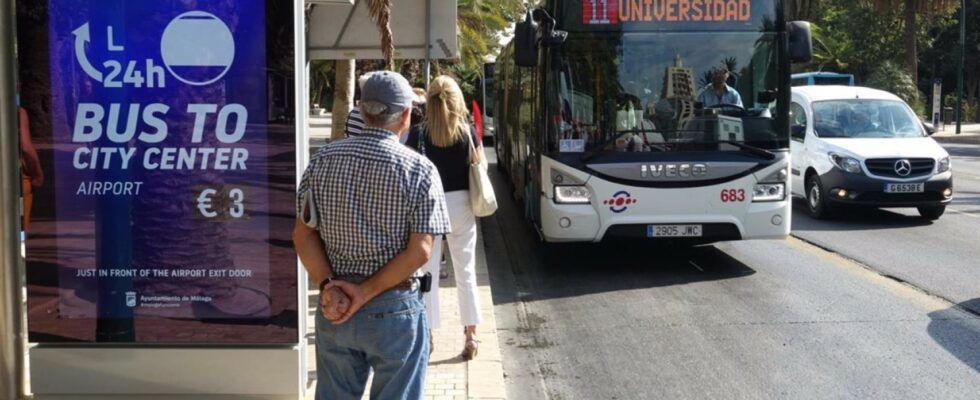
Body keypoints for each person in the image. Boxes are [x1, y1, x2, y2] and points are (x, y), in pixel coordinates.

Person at [294, 71, 451, 400]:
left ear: (362, 111)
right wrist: (363, 294)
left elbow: (303, 235)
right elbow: (420, 252)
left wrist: (329, 286)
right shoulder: (420, 170)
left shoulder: (321, 161)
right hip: (394, 310)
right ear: (406, 114)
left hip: (335, 306)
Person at [405, 76, 484, 360]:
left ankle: (428, 335)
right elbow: (479, 166)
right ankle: (471, 334)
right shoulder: (466, 132)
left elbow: (410, 171)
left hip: (429, 205)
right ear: (456, 101)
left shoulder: (419, 134)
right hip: (461, 204)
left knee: (426, 274)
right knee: (466, 271)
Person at [18, 96, 43, 232]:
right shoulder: (16, 112)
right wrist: (37, 174)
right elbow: (25, 147)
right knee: (18, 231)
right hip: (15, 179)